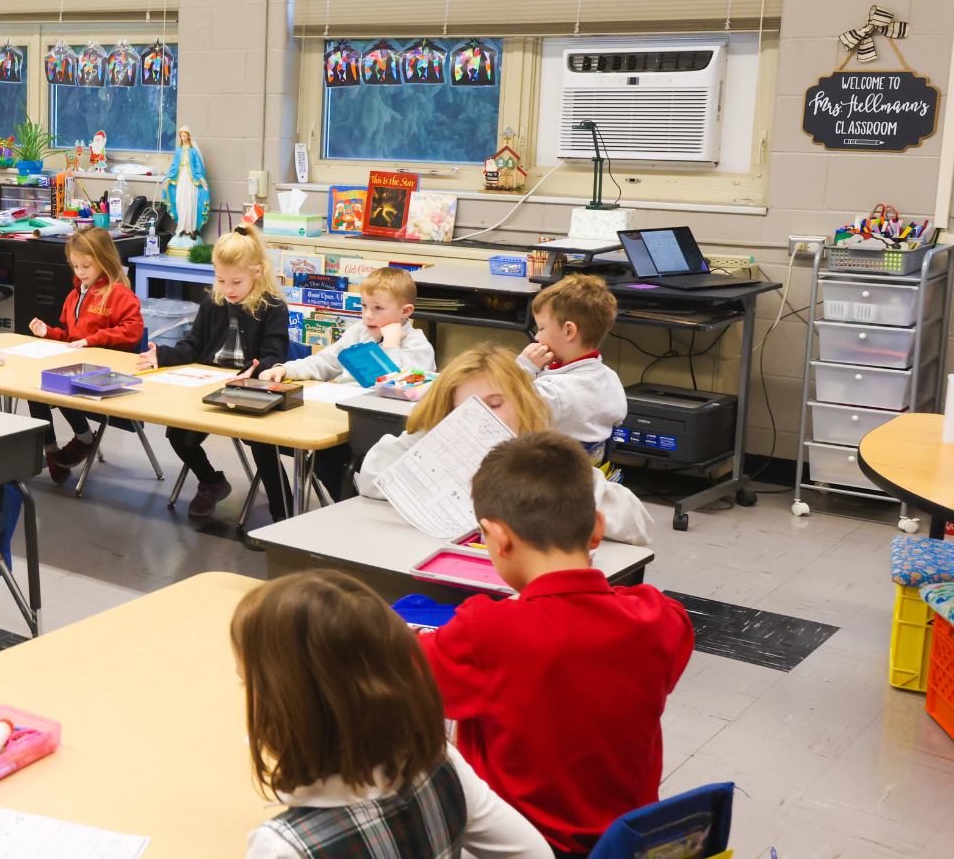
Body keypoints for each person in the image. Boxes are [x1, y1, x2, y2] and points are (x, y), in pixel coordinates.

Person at [419, 432, 694, 857]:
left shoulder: (485, 632)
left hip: (520, 848)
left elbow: (403, 676)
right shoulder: (658, 617)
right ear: (597, 529)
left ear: (496, 537)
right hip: (628, 845)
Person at [234, 571, 550, 859]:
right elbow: (533, 854)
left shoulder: (283, 848)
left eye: (246, 682)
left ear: (285, 705)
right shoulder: (442, 762)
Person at [354, 345, 653, 546]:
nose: (479, 418)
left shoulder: (542, 455)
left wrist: (566, 489)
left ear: (522, 404)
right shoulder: (441, 442)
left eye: (495, 404)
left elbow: (638, 527)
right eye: (464, 409)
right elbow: (372, 479)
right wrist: (431, 439)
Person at [137, 226, 292, 521]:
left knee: (263, 446)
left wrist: (257, 373)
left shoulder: (273, 307)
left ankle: (281, 515)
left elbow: (274, 355)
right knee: (178, 435)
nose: (228, 289)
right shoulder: (213, 303)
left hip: (248, 390)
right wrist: (163, 355)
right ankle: (211, 481)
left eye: (236, 281)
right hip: (209, 387)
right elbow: (194, 345)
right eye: (221, 280)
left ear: (257, 273)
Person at [27, 227, 144, 483]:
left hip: (107, 374)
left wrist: (93, 340)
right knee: (35, 393)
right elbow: (71, 339)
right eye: (75, 266)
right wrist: (48, 332)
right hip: (81, 368)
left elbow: (132, 331)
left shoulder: (118, 294)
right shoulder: (74, 295)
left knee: (65, 387)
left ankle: (85, 438)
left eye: (86, 266)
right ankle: (51, 451)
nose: (80, 272)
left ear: (104, 260)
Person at [264, 266, 435, 382]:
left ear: (405, 311)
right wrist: (284, 370)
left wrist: (391, 344)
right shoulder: (359, 332)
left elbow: (395, 390)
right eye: (364, 305)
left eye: (378, 308)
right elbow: (323, 362)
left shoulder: (418, 347)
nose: (367, 315)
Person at [518, 274, 627, 456]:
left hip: (547, 477)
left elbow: (507, 416)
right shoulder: (610, 377)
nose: (537, 337)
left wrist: (522, 368)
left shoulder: (552, 392)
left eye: (542, 328)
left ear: (569, 331)